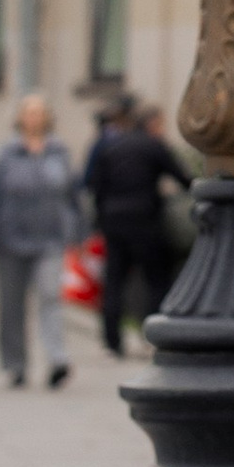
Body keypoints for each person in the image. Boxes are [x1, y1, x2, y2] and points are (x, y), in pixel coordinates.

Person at [0, 95, 83, 390]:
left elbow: (74, 197)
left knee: (50, 296)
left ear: (47, 118)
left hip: (50, 239)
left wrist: (78, 234)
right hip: (9, 239)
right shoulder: (5, 154)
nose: (34, 118)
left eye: (40, 113)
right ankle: (16, 365)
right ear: (20, 118)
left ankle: (57, 359)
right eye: (29, 113)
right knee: (11, 306)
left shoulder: (59, 152)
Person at [82, 96, 184, 352]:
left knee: (114, 279)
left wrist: (101, 218)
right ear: (151, 124)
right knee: (156, 277)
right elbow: (182, 177)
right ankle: (152, 334)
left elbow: (93, 184)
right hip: (145, 219)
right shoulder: (153, 146)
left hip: (113, 220)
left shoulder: (110, 147)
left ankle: (111, 340)